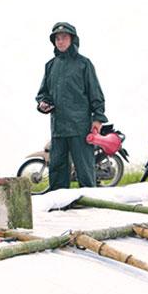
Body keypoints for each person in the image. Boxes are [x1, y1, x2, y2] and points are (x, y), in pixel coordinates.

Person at [34, 22, 107, 189]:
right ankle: (61, 206)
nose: (60, 41)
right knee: (57, 168)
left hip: (80, 126)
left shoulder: (84, 64)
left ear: (72, 40)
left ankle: (91, 205)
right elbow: (43, 93)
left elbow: (95, 93)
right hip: (58, 127)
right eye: (57, 39)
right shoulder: (50, 66)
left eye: (64, 38)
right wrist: (43, 103)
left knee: (84, 169)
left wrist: (98, 118)